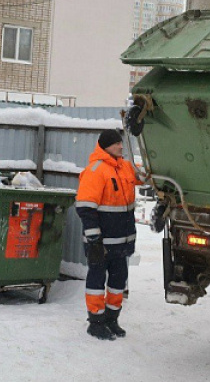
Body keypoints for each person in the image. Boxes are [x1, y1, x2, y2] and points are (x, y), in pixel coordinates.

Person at [76, 129, 143, 340]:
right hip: (101, 242)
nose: (121, 146)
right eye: (116, 144)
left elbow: (145, 177)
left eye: (121, 143)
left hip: (121, 241)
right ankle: (95, 322)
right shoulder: (95, 170)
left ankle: (112, 319)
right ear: (106, 146)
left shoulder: (125, 168)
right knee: (96, 281)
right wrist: (94, 239)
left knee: (118, 281)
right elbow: (86, 207)